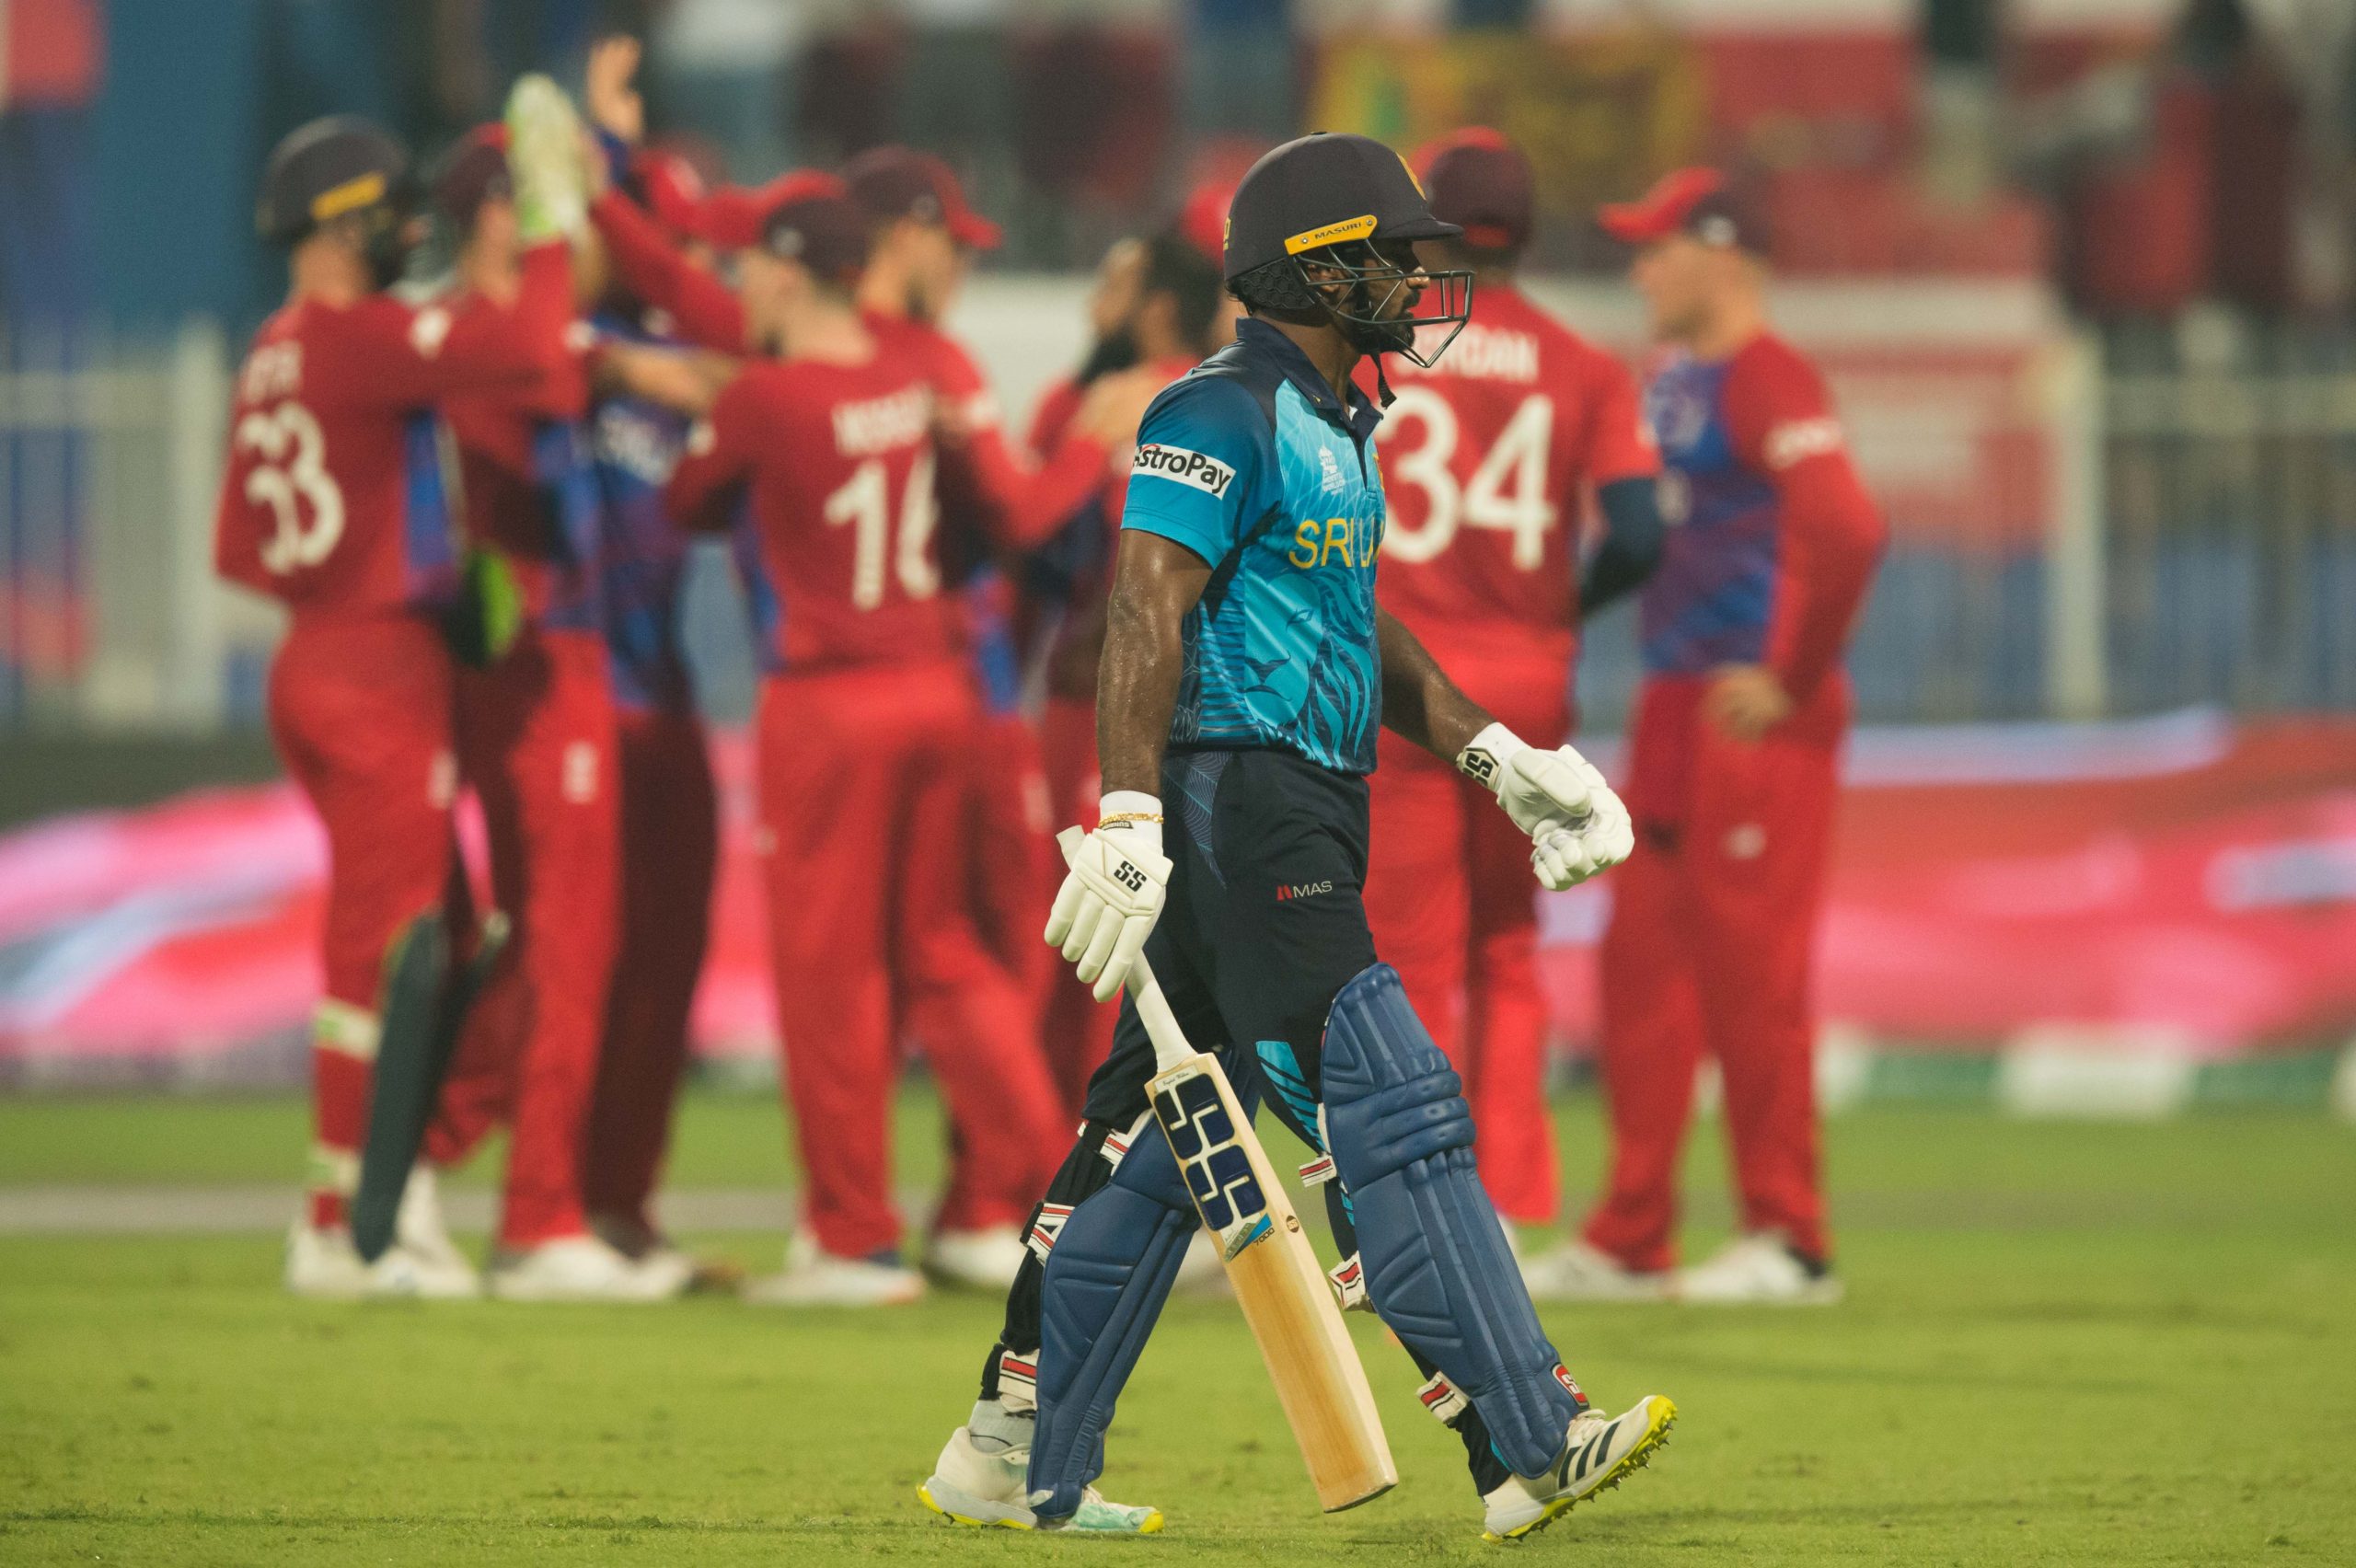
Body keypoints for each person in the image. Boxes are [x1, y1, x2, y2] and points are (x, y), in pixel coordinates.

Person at [918, 133, 1672, 1543]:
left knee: (1152, 1145)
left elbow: (1350, 625)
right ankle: (1528, 1439)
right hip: (1240, 811)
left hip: (1292, 803)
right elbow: (1146, 601)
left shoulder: (1334, 424)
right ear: (1318, 271)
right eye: (1390, 256)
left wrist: (1497, 755)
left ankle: (1009, 1446)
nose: (1415, 283)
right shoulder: (1216, 409)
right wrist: (1129, 811)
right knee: (1394, 1108)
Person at [663, 181, 1070, 1306]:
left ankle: (851, 1238)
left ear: (788, 272)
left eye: (751, 267)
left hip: (829, 704)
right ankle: (1065, 1193)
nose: (741, 286)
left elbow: (688, 501)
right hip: (938, 691)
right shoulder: (915, 377)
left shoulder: (765, 396)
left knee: (830, 978)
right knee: (945, 954)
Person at [214, 111, 572, 1298]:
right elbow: (528, 349)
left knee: (439, 936)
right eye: (383, 209)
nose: (406, 227)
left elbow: (241, 551)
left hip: (313, 650)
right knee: (388, 948)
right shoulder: (354, 334)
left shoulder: (272, 345)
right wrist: (551, 228)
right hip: (376, 666)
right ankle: (336, 1226)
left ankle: (385, 1196)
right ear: (335, 224)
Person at [1543, 169, 1886, 1306]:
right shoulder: (1678, 379)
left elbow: (1847, 528)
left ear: (1722, 255)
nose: (1640, 271)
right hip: (1677, 706)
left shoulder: (1771, 377)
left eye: (1658, 249)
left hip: (1752, 714)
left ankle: (1789, 1239)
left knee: (1753, 979)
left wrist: (1791, 675)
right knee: (1639, 969)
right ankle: (1631, 1236)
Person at [1358, 129, 1664, 1239]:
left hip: (1407, 688)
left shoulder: (1383, 345)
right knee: (1509, 945)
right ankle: (1515, 1205)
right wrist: (1556, 610)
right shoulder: (1584, 366)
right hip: (1528, 680)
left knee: (1410, 957)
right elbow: (1639, 533)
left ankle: (1418, 1205)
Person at [1025, 229, 1231, 1115]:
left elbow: (1028, 540)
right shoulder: (1229, 408)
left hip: (1108, 708)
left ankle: (1084, 1151)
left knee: (1091, 939)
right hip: (1171, 715)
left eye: (1113, 284)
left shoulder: (1120, 410)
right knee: (1128, 942)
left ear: (1154, 307)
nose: (1093, 304)